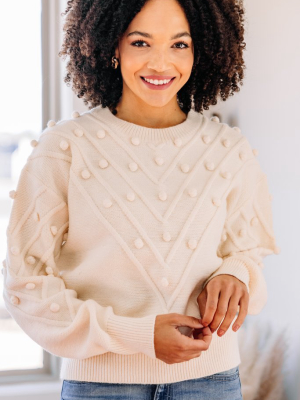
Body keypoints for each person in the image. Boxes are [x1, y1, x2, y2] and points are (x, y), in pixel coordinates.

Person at [2, 0, 280, 399]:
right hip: (101, 387)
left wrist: (234, 272)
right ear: (111, 46)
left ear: (203, 47)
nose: (161, 63)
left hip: (212, 383)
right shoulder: (64, 149)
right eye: (141, 42)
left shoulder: (227, 148)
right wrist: (138, 335)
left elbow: (249, 252)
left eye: (179, 44)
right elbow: (25, 286)